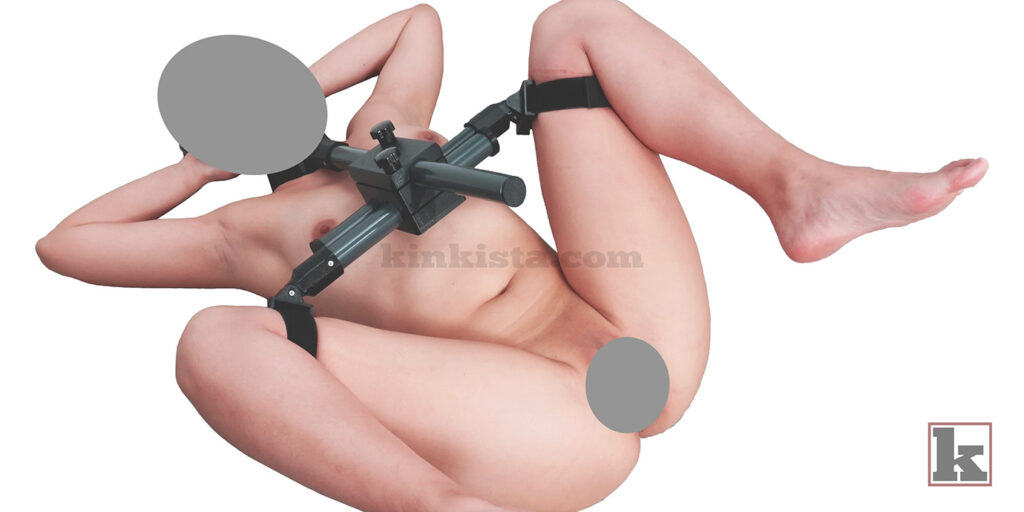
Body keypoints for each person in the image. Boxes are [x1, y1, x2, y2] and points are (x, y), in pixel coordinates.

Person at [35, 1, 987, 510]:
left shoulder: (383, 125)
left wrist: (305, 87)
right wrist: (198, 167)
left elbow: (416, 21)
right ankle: (435, 507)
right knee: (213, 339)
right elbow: (67, 247)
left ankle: (797, 187)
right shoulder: (238, 234)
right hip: (541, 425)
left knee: (572, 27)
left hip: (634, 340)